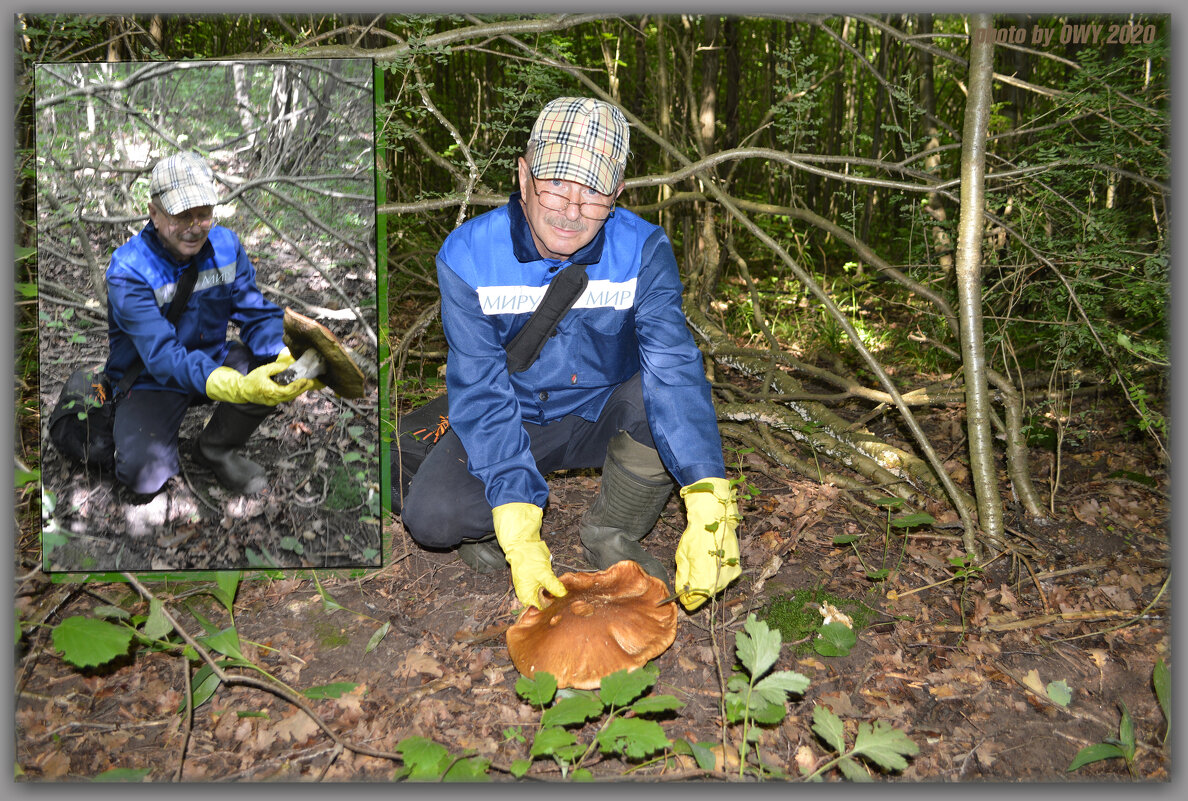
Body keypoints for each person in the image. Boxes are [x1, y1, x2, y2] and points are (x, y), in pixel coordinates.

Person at [397, 97, 742, 612]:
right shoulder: (469, 254)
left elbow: (672, 366)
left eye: (594, 191)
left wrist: (709, 497)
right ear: (522, 175)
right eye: (555, 183)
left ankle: (611, 532)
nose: (571, 208)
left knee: (658, 390)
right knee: (433, 518)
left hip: (606, 411)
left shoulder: (642, 249)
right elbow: (483, 390)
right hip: (514, 414)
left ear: (617, 193)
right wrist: (517, 525)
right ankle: (497, 528)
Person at [104, 151, 318, 498]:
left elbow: (255, 312)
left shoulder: (226, 247)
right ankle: (147, 434)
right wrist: (230, 384)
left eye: (203, 215)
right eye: (182, 215)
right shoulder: (128, 270)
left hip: (212, 359)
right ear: (154, 214)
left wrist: (282, 354)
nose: (194, 226)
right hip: (151, 379)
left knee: (277, 370)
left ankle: (216, 449)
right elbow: (160, 354)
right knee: (142, 475)